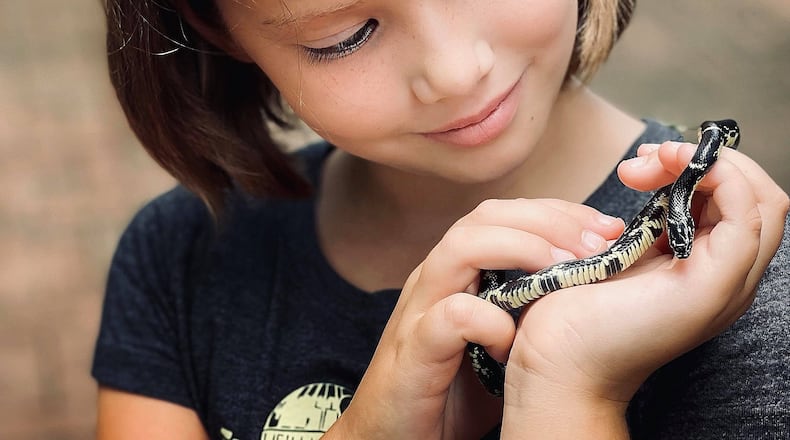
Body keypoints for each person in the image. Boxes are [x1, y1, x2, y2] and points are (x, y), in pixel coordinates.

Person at [92, 0, 790, 438]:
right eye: (345, 36)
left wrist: (569, 392)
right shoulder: (180, 256)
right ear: (214, 24)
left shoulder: (747, 288)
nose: (457, 73)